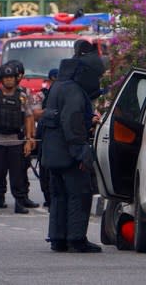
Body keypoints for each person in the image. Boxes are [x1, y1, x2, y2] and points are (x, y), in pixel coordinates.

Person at [41, 39, 104, 253]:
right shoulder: (75, 92)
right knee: (79, 194)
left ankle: (58, 238)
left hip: (52, 154)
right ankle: (77, 239)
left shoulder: (58, 86)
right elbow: (73, 124)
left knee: (59, 196)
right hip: (68, 154)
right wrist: (82, 154)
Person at [0, 63, 34, 214]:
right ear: (1, 80)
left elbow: (28, 118)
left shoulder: (22, 97)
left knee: (17, 175)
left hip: (16, 141)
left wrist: (29, 140)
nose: (9, 80)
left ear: (15, 79)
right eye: (6, 78)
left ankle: (19, 202)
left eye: (11, 77)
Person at [5, 60, 40, 209]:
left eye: (17, 75)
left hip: (20, 136)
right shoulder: (0, 93)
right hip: (2, 136)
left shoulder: (25, 93)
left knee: (21, 169)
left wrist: (30, 136)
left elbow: (31, 116)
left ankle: (22, 197)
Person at [33, 68, 59, 207]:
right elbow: (35, 113)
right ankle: (48, 198)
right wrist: (50, 112)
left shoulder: (64, 95)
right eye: (53, 80)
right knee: (44, 169)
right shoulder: (41, 95)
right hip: (44, 137)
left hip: (58, 138)